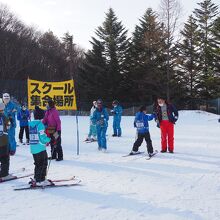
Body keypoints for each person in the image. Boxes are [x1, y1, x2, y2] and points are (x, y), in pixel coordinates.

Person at [28, 113, 51, 186]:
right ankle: (41, 180)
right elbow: (43, 137)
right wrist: (49, 139)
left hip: (33, 148)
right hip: (40, 148)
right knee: (43, 163)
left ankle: (36, 178)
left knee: (37, 164)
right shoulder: (40, 124)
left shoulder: (30, 124)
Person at [0, 102, 15, 181]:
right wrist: (10, 120)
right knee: (5, 158)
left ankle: (2, 172)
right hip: (3, 141)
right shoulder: (4, 116)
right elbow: (8, 126)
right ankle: (4, 174)